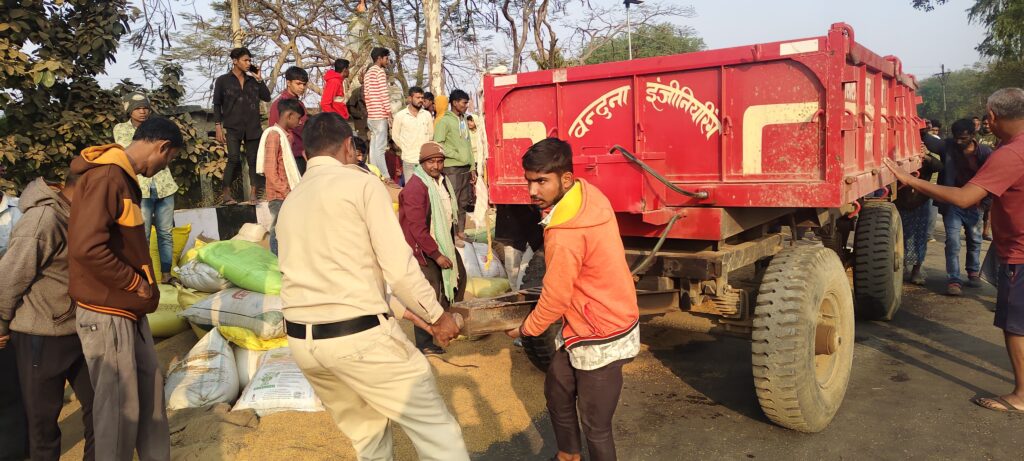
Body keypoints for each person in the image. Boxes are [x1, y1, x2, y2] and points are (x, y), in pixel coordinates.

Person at [275, 112, 469, 461]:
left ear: (306, 154)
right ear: (350, 147)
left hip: (305, 345)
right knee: (440, 436)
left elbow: (339, 278)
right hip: (359, 339)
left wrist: (419, 318)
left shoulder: (291, 201)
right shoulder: (361, 184)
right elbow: (399, 267)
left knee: (369, 440)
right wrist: (438, 317)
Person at [884, 87, 1024, 413]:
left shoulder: (1009, 154)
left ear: (991, 117)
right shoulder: (1009, 148)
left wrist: (910, 180)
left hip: (1020, 251)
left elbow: (964, 198)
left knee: (1015, 325)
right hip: (1013, 243)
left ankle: (1020, 396)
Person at [506, 138, 640, 461]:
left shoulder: (564, 233)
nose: (533, 191)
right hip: (585, 323)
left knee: (596, 426)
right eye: (529, 181)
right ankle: (568, 454)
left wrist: (525, 330)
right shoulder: (587, 194)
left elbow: (554, 299)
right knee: (557, 386)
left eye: (541, 181)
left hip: (603, 332)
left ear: (565, 179)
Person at [69, 117, 183, 461]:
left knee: (149, 399)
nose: (165, 166)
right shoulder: (107, 176)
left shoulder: (123, 178)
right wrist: (135, 283)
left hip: (128, 310)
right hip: (107, 312)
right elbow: (87, 249)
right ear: (162, 147)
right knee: (119, 413)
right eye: (170, 159)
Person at [0, 173, 96, 461]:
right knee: (42, 429)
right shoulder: (43, 220)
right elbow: (10, 278)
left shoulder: (78, 216)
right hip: (40, 335)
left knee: (102, 410)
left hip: (77, 330)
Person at [399, 142, 467, 355]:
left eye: (439, 161)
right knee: (428, 293)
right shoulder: (415, 187)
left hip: (442, 241)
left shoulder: (442, 181)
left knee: (458, 278)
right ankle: (425, 342)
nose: (436, 166)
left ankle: (445, 327)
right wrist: (436, 255)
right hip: (422, 248)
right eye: (431, 162)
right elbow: (417, 228)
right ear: (422, 163)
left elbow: (448, 213)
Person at [924, 118, 994, 295]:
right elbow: (929, 140)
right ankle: (954, 280)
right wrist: (923, 130)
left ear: (972, 135)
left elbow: (992, 181)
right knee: (953, 242)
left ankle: (972, 272)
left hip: (975, 205)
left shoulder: (985, 153)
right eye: (956, 137)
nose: (958, 141)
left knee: (975, 240)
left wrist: (984, 205)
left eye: (963, 138)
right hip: (953, 204)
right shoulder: (948, 146)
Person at [113, 93, 179, 283]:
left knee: (165, 233)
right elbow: (130, 151)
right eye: (137, 108)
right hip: (141, 187)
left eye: (145, 108)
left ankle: (167, 275)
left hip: (164, 187)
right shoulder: (121, 129)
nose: (142, 111)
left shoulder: (158, 127)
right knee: (142, 234)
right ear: (129, 111)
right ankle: (145, 275)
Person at [213, 47, 271, 204]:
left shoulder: (253, 81)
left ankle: (253, 195)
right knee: (233, 158)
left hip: (253, 127)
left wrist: (259, 78)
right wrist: (218, 126)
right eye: (245, 60)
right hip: (232, 126)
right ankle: (226, 194)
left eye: (250, 60)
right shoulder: (223, 81)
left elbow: (266, 97)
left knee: (253, 161)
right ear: (235, 61)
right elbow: (217, 104)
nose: (248, 63)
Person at [257, 98, 305, 256]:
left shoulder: (286, 136)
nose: (299, 123)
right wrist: (286, 191)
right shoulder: (274, 135)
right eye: (298, 118)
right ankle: (276, 263)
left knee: (289, 230)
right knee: (278, 230)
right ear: (289, 116)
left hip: (287, 194)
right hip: (279, 195)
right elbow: (270, 171)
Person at [434, 89, 475, 243]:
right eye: (464, 103)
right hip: (452, 168)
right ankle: (451, 236)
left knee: (464, 202)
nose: (466, 106)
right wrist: (458, 155)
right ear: (455, 103)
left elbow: (468, 143)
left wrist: (472, 166)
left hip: (465, 168)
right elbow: (439, 144)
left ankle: (461, 233)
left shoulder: (464, 120)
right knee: (452, 203)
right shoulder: (444, 121)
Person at [895, 153, 943, 285]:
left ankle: (916, 270)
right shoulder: (897, 155)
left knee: (919, 237)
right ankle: (901, 267)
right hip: (900, 202)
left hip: (921, 202)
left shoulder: (927, 158)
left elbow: (939, 167)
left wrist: (925, 156)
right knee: (899, 236)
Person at [269, 66, 310, 174]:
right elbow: (274, 133)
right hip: (288, 156)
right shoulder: (278, 104)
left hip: (302, 153)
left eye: (304, 84)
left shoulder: (300, 104)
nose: (302, 87)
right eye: (298, 83)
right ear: (288, 82)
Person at [393, 86, 435, 184]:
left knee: (427, 189)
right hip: (409, 160)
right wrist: (405, 147)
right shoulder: (400, 116)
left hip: (424, 160)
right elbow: (395, 137)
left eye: (422, 98)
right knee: (411, 190)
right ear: (410, 98)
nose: (420, 100)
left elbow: (431, 135)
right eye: (417, 97)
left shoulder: (427, 115)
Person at [364, 47, 393, 178]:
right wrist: (389, 112)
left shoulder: (368, 72)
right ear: (379, 58)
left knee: (374, 147)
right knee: (380, 148)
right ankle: (385, 175)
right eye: (386, 58)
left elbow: (367, 95)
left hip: (371, 115)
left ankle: (374, 173)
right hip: (380, 114)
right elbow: (383, 93)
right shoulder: (380, 72)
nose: (387, 61)